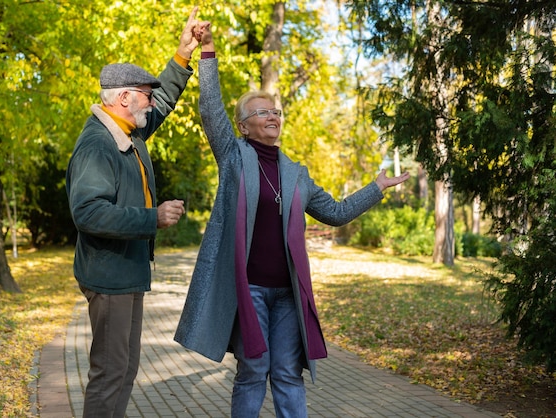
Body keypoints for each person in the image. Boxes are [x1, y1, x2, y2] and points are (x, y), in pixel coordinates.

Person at [174, 23, 410, 418]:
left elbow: (334, 213)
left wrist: (376, 187)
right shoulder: (234, 157)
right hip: (248, 288)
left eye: (276, 111)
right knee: (253, 370)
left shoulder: (296, 172)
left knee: (287, 372)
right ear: (244, 124)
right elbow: (210, 108)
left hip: (288, 294)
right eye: (262, 112)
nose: (272, 116)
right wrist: (208, 51)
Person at [65, 8, 208, 418]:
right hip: (109, 278)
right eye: (145, 94)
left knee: (124, 370)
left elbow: (164, 101)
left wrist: (183, 55)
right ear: (124, 97)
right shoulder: (98, 144)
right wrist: (153, 218)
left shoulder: (128, 129)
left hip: (126, 273)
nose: (151, 101)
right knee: (110, 373)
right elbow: (88, 213)